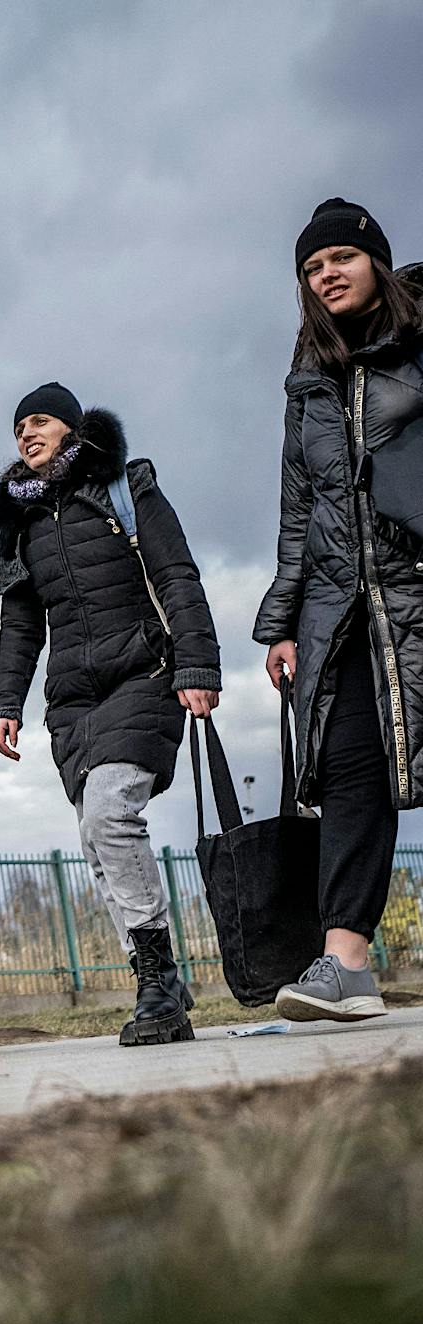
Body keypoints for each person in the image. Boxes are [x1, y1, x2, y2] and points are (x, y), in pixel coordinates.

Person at [0, 384, 221, 1045]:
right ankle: (160, 986)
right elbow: (21, 625)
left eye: (39, 421)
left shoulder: (124, 484)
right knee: (95, 836)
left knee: (113, 812)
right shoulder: (20, 524)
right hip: (73, 699)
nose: (26, 434)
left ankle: (158, 983)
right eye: (17, 429)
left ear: (72, 426)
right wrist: (5, 703)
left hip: (144, 672)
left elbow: (177, 575)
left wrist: (198, 666)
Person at [255, 198, 423, 1021]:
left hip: (418, 585)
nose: (326, 274)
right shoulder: (306, 382)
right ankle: (344, 964)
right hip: (342, 606)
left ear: (376, 263)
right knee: (354, 772)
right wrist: (283, 621)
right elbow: (299, 508)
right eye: (311, 268)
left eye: (340, 259)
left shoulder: (418, 342)